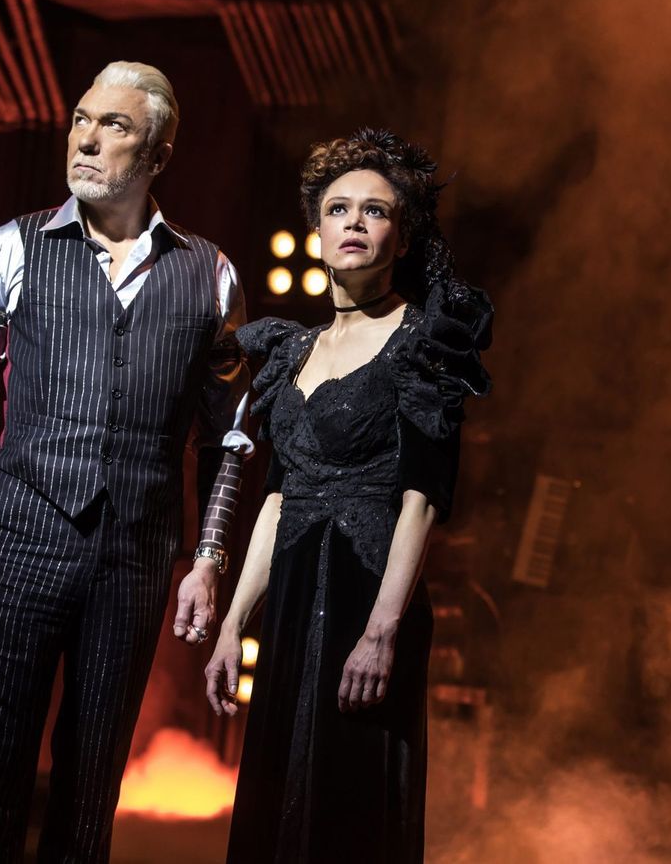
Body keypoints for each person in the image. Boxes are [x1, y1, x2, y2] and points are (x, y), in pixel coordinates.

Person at [0, 61, 251, 862]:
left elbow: (230, 437)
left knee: (92, 783)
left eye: (114, 125)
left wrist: (209, 559)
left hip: (135, 556)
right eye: (80, 119)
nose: (87, 139)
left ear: (159, 156)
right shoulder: (13, 247)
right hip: (22, 538)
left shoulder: (210, 274)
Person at [205, 128, 492, 862]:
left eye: (375, 210)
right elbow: (278, 500)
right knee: (279, 798)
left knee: (348, 804)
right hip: (293, 598)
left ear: (403, 238)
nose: (354, 222)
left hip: (369, 596)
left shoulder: (424, 344)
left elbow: (422, 500)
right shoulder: (291, 351)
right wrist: (234, 621)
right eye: (338, 209)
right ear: (317, 231)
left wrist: (382, 630)